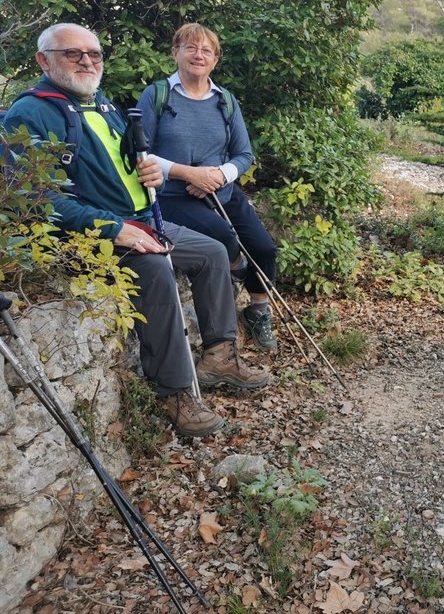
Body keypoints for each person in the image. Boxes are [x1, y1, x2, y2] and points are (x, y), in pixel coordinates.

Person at [3, 23, 271, 438]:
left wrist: (149, 173)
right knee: (155, 269)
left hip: (140, 220)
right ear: (44, 60)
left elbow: (124, 165)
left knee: (212, 251)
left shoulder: (102, 106)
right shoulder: (31, 114)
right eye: (73, 54)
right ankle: (176, 392)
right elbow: (38, 200)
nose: (87, 61)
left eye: (94, 54)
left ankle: (219, 355)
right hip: (93, 234)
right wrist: (113, 229)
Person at [138, 23, 278, 352]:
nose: (198, 55)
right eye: (190, 47)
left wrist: (218, 176)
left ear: (215, 59)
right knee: (224, 236)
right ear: (175, 53)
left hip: (223, 191)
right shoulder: (157, 95)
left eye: (206, 50)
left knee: (265, 248)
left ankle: (258, 310)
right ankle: (233, 273)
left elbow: (244, 154)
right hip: (174, 196)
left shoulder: (225, 100)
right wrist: (189, 174)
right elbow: (139, 153)